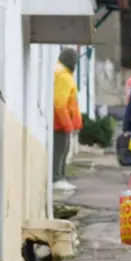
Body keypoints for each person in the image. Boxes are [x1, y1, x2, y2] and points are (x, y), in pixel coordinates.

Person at [52, 48, 82, 192]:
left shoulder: (63, 74)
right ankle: (57, 178)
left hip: (63, 123)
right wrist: (68, 125)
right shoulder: (64, 77)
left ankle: (60, 177)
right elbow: (60, 104)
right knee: (60, 150)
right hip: (61, 124)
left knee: (63, 150)